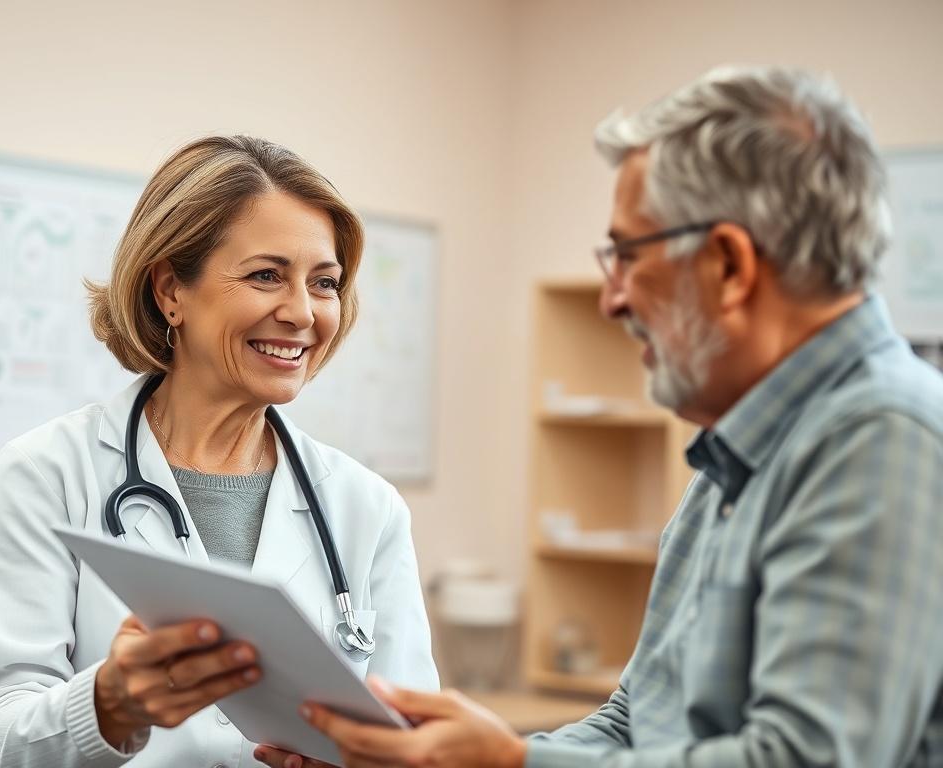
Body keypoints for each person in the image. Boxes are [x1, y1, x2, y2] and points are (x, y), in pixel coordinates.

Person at [263, 66, 943, 767]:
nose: (611, 300)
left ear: (729, 265)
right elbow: (635, 720)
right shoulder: (734, 455)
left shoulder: (884, 439)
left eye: (627, 255)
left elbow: (804, 760)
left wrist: (509, 764)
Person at [0, 136, 439, 767]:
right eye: (266, 275)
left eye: (324, 283)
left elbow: (418, 742)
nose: (302, 313)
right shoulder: (48, 475)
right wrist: (106, 705)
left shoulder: (365, 508)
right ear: (170, 290)